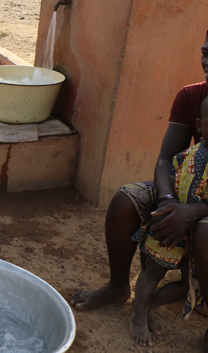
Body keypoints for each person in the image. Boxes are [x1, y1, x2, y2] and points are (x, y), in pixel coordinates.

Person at [71, 31, 208, 351]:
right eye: (205, 52)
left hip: (202, 210)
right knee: (125, 200)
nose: (207, 61)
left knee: (204, 233)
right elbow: (166, 160)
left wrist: (196, 212)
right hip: (184, 194)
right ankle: (118, 287)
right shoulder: (192, 97)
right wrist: (169, 202)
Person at [128, 96, 208, 347]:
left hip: (197, 235)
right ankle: (138, 316)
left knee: (187, 285)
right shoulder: (186, 157)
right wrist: (168, 211)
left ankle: (148, 305)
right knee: (152, 273)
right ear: (200, 125)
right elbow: (168, 186)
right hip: (171, 228)